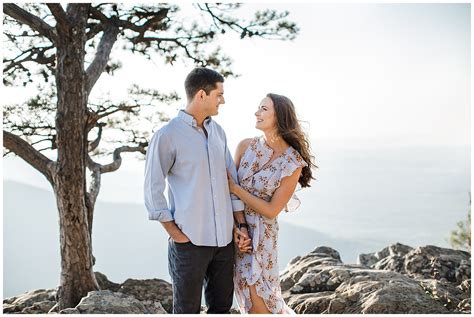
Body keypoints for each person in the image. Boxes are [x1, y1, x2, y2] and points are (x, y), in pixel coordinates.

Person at [144, 67, 250, 314]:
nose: (223, 100)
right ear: (202, 95)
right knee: (186, 310)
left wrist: (240, 225)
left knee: (221, 308)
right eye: (219, 94)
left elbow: (230, 183)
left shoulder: (218, 132)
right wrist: (175, 233)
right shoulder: (167, 135)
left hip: (224, 243)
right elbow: (152, 188)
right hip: (189, 243)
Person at [228, 93, 315, 314]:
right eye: (258, 108)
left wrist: (236, 188)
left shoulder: (293, 162)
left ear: (280, 116)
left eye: (264, 109)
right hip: (235, 232)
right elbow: (227, 196)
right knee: (243, 294)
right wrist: (238, 227)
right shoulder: (245, 146)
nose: (257, 113)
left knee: (260, 298)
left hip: (261, 238)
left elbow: (271, 209)